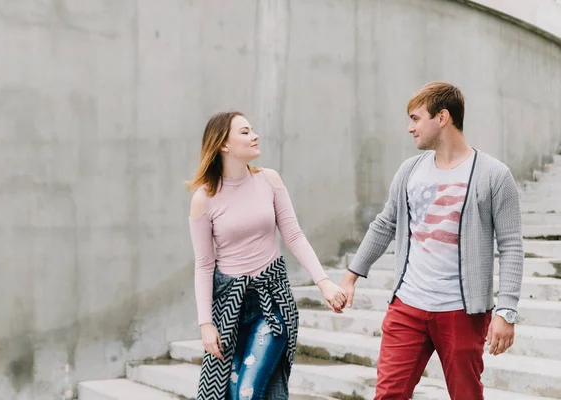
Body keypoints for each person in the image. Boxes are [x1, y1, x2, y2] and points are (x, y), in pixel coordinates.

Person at [340, 82, 524, 399]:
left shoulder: (494, 174)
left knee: (466, 394)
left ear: (442, 118)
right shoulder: (410, 171)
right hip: (407, 307)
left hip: (462, 313)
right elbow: (385, 223)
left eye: (415, 118)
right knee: (388, 395)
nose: (410, 128)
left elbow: (511, 246)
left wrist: (506, 311)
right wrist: (350, 277)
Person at [188, 111, 347, 400]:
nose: (255, 136)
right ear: (224, 144)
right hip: (229, 308)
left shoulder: (269, 180)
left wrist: (323, 282)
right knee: (231, 391)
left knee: (248, 392)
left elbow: (294, 235)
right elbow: (203, 265)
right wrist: (205, 324)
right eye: (245, 132)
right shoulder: (203, 199)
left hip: (271, 301)